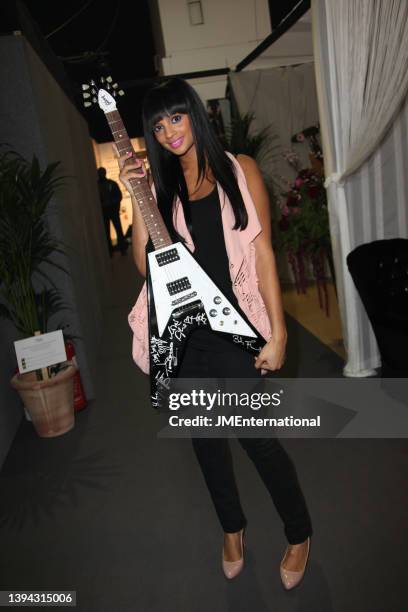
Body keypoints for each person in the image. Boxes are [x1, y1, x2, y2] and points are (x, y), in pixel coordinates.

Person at [116, 78, 312, 587]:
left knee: (257, 440)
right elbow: (145, 265)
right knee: (204, 438)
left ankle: (299, 531)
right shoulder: (161, 187)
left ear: (194, 115)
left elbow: (263, 252)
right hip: (186, 334)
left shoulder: (239, 170)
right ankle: (232, 528)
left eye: (176, 118)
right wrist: (138, 199)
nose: (168, 132)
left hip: (235, 325)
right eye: (157, 126)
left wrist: (280, 333)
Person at [97, 167, 128, 256]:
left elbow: (119, 196)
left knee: (118, 230)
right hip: (104, 212)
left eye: (102, 173)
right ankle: (110, 251)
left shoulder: (112, 183)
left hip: (113, 211)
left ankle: (122, 248)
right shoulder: (96, 186)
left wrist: (112, 202)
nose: (101, 175)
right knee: (106, 232)